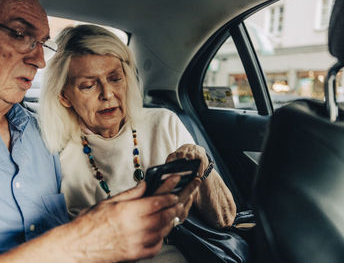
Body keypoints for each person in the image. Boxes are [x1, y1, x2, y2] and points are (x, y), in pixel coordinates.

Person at [0, 0, 191, 262]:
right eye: (20, 34)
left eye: (42, 44)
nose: (40, 60)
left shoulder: (46, 135)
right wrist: (81, 239)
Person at [39, 24, 237, 262]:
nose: (107, 94)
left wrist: (200, 164)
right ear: (64, 96)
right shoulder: (54, 149)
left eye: (115, 79)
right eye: (88, 85)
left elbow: (224, 218)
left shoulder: (163, 123)